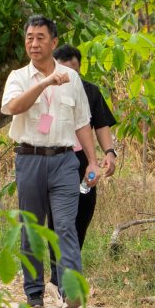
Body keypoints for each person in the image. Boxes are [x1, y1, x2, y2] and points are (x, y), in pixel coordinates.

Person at [1, 15, 99, 308]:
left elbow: (82, 122)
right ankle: (34, 291)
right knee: (31, 227)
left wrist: (92, 161)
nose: (34, 43)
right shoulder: (18, 77)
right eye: (29, 37)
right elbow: (12, 107)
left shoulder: (72, 79)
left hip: (65, 160)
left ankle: (71, 289)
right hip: (29, 159)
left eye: (40, 37)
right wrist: (44, 83)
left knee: (66, 226)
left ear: (53, 42)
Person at [48, 45, 117, 291]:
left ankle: (69, 268)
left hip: (83, 162)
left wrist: (109, 153)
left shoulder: (90, 91)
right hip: (53, 159)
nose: (69, 77)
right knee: (57, 219)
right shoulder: (46, 90)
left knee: (83, 210)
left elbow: (101, 125)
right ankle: (58, 277)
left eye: (74, 72)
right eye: (64, 71)